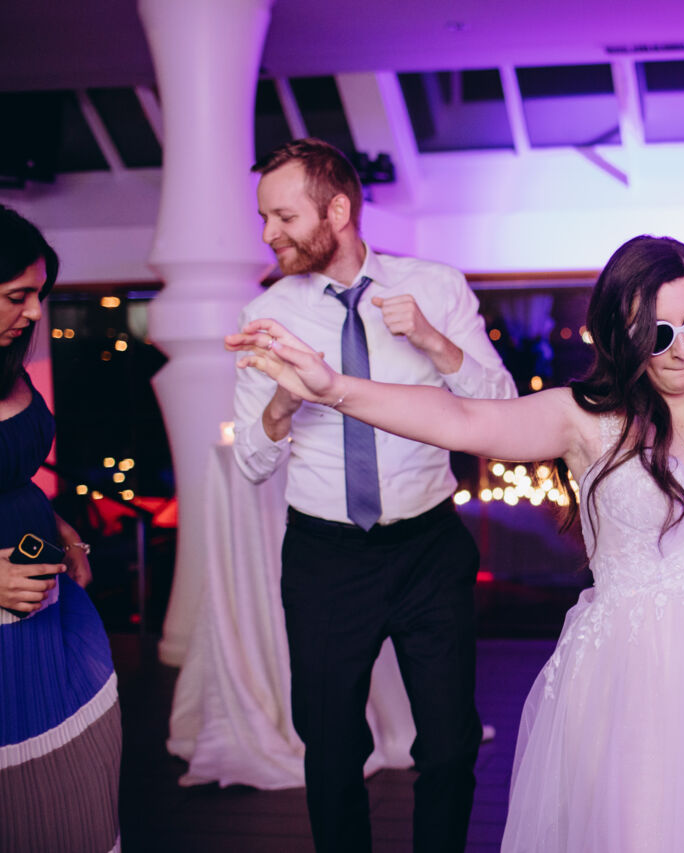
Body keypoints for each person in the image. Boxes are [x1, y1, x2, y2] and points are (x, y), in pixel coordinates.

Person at [229, 234, 684, 851]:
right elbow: (459, 417)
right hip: (630, 677)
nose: (682, 349)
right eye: (657, 332)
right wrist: (335, 389)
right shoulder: (585, 418)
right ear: (619, 331)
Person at [231, 138, 517, 853]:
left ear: (337, 210)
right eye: (264, 218)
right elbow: (254, 465)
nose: (269, 234)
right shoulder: (267, 313)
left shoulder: (436, 287)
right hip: (325, 558)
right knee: (330, 752)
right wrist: (281, 403)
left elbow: (503, 408)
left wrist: (433, 341)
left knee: (449, 745)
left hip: (428, 549)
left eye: (284, 217)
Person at [0, 205, 121, 853]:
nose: (33, 312)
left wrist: (61, 525)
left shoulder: (9, 365)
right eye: (16, 296)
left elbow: (10, 474)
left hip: (45, 600)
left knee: (77, 776)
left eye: (38, 295)